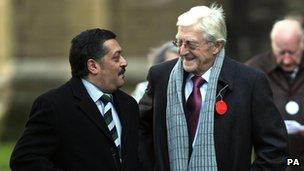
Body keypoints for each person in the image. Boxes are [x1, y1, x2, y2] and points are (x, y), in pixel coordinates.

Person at [139, 4, 288, 171]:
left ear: (216, 46)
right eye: (179, 42)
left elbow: (274, 148)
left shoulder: (249, 82)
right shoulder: (161, 77)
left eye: (191, 44)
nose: (182, 51)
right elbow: (140, 130)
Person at [10, 28, 139, 171]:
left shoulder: (129, 105)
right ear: (93, 66)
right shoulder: (55, 105)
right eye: (116, 57)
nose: (124, 62)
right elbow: (25, 160)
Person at [246, 19, 304, 171]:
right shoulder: (253, 69)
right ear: (272, 45)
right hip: (270, 162)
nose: (286, 59)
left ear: (301, 44)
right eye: (281, 52)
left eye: (292, 52)